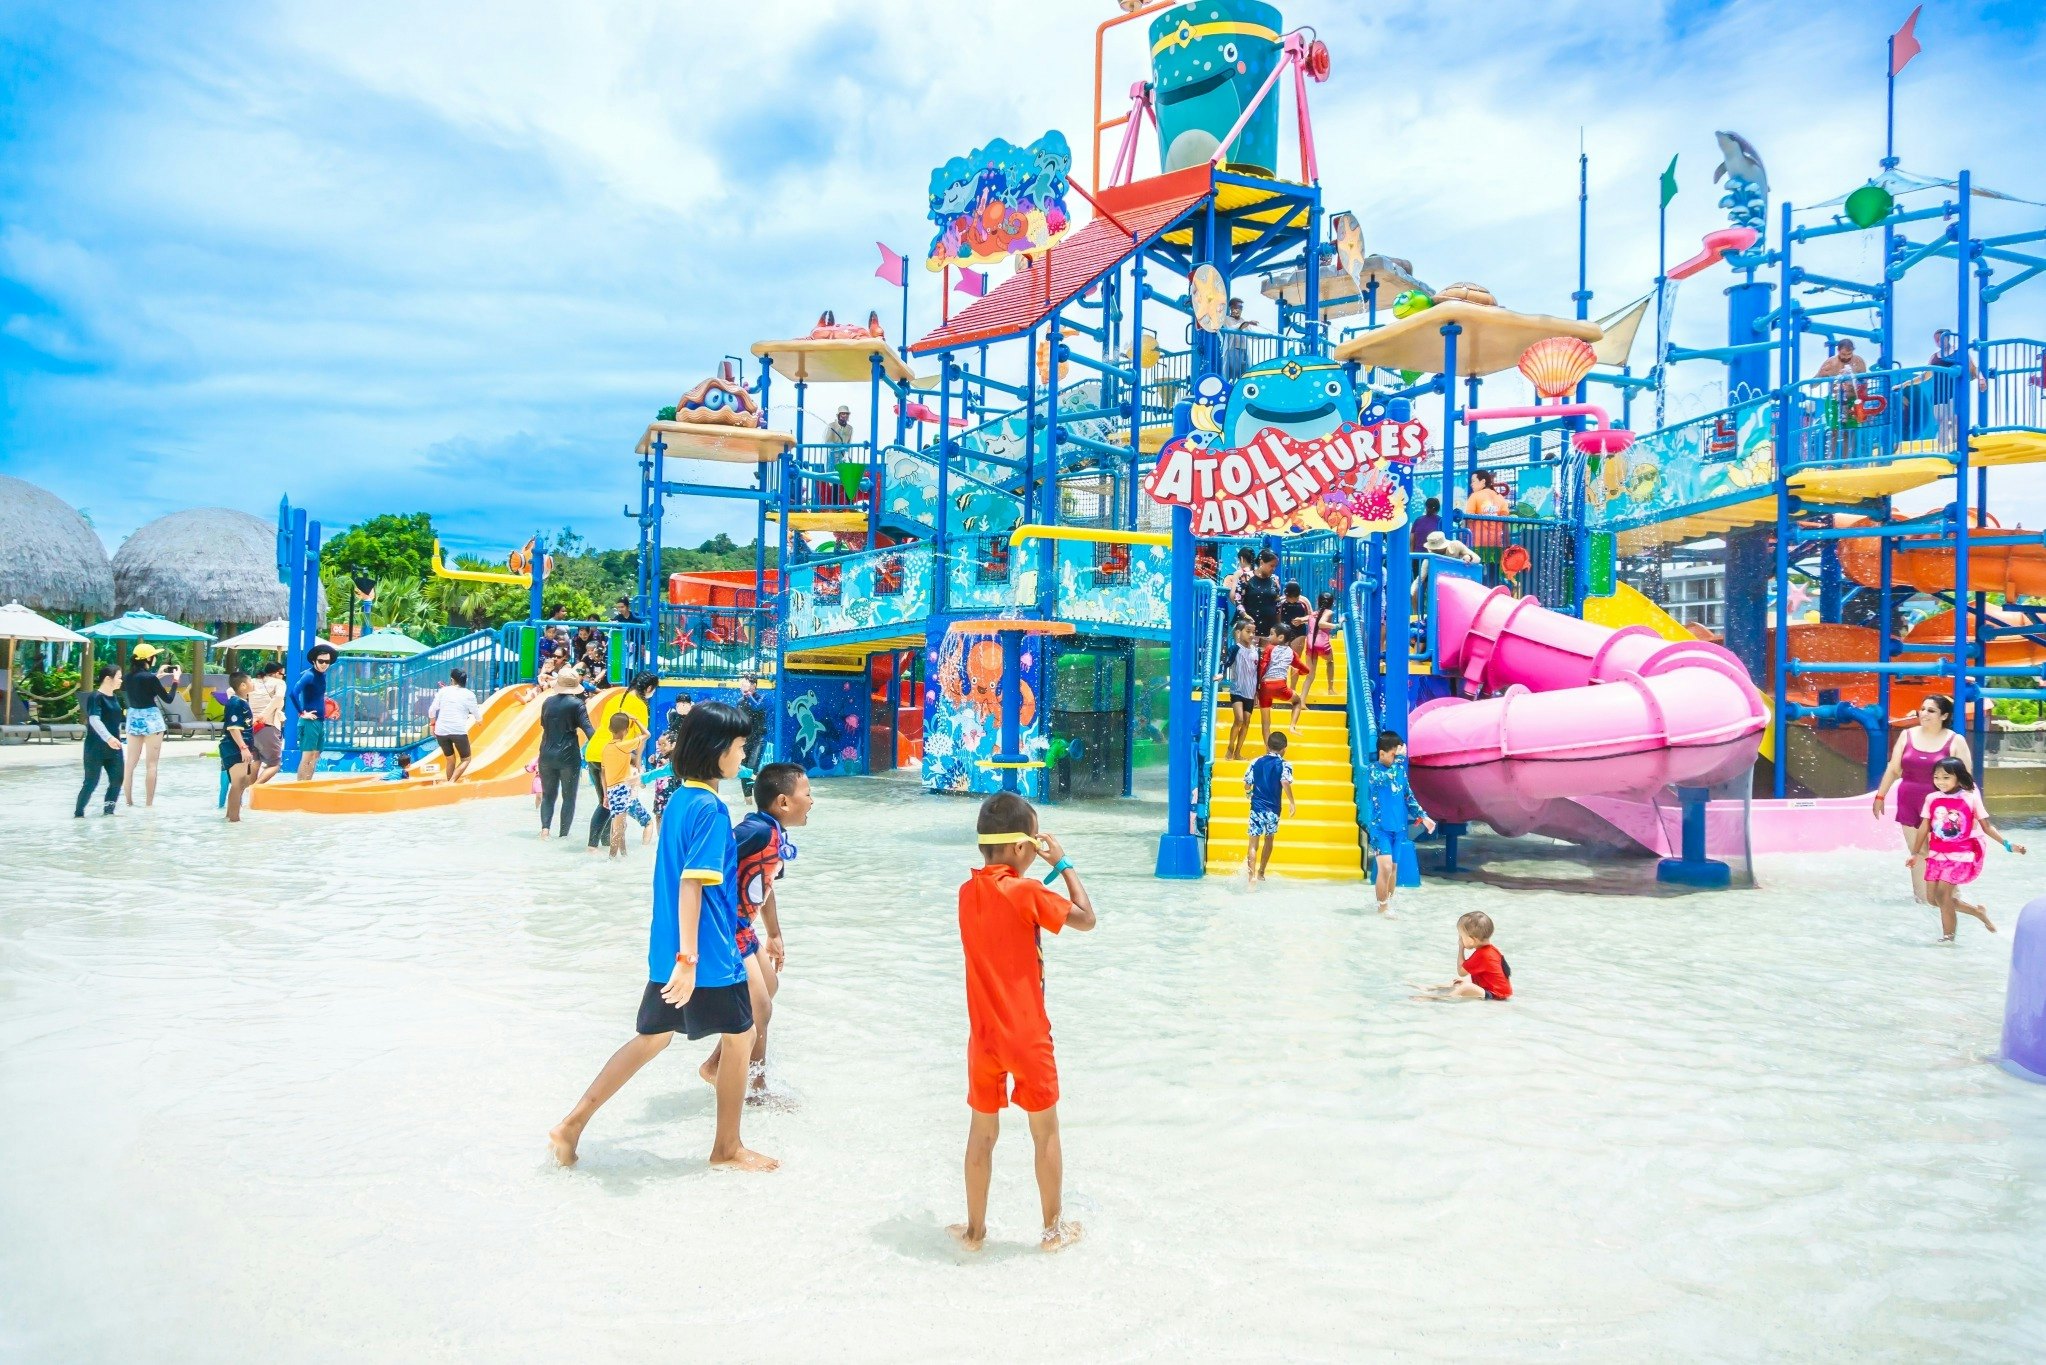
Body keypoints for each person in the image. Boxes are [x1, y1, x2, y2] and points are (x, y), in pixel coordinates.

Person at [548, 701, 777, 1173]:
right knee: (742, 1036)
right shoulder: (711, 810)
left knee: (652, 1038)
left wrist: (677, 955)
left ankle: (572, 1124)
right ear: (716, 750)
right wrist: (690, 960)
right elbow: (693, 883)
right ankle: (727, 1148)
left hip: (668, 948)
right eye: (738, 746)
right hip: (706, 954)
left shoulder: (679, 800)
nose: (743, 754)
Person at [951, 791, 1097, 1253]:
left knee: (982, 1134)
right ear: (1019, 847)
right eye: (1034, 842)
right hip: (1028, 1035)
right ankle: (1052, 1233)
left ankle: (974, 1233)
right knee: (1044, 1131)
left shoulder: (966, 893)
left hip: (983, 1038)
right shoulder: (1026, 891)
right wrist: (1064, 864)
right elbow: (1086, 919)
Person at [701, 761, 814, 1097]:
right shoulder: (756, 831)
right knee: (761, 1009)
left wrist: (774, 934)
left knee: (770, 986)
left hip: (744, 929)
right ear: (783, 802)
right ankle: (755, 1087)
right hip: (726, 929)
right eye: (808, 794)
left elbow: (764, 888)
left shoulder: (775, 835)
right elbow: (713, 859)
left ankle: (715, 1065)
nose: (812, 801)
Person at [1908, 756, 2026, 941]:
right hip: (1937, 855)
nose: (1940, 781)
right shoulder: (1932, 798)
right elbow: (1924, 827)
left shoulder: (1970, 798)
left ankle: (1948, 939)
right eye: (1936, 777)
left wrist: (2008, 845)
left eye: (1946, 777)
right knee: (1933, 900)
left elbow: (1987, 827)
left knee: (1943, 895)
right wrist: (1915, 853)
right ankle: (1978, 912)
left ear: (1958, 777)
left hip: (1960, 855)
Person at [1874, 693, 1973, 903]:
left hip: (1942, 808)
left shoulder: (1955, 740)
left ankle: (1951, 899)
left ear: (1944, 715)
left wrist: (1967, 813)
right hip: (1909, 801)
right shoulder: (1907, 735)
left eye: (1931, 710)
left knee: (1941, 853)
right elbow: (1893, 768)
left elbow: (1966, 780)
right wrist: (1880, 795)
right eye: (1923, 709)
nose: (1924, 713)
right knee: (1918, 852)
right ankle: (1922, 902)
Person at [584, 671, 656, 852]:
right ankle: (592, 846)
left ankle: (606, 843)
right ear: (649, 688)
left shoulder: (614, 699)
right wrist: (637, 765)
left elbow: (608, 728)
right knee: (608, 802)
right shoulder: (640, 705)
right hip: (612, 756)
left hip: (594, 751)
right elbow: (641, 739)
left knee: (607, 800)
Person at [1366, 729, 1434, 917]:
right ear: (1382, 753)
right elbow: (1384, 781)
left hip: (1398, 829)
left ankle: (1388, 906)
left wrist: (1424, 817)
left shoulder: (1399, 770)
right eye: (1393, 754)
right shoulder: (1373, 771)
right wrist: (1399, 760)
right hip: (1380, 828)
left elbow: (1408, 796)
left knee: (1393, 869)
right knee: (1386, 867)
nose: (1397, 758)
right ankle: (1382, 908)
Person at [119, 645, 180, 808]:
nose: (155, 658)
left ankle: (128, 801)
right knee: (151, 765)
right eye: (154, 656)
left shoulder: (127, 677)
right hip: (152, 720)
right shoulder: (150, 679)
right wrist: (175, 680)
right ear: (148, 658)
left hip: (133, 718)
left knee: (130, 763)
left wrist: (156, 676)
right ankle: (149, 804)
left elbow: (139, 689)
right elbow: (168, 699)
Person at [538, 668, 594, 839]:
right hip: (568, 756)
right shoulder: (577, 704)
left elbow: (544, 725)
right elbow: (589, 731)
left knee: (548, 796)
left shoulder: (547, 702)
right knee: (569, 797)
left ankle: (545, 831)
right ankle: (563, 836)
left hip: (546, 754)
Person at [1418, 911, 1513, 1000]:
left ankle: (1436, 998)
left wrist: (1461, 948)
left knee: (1466, 987)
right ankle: (1431, 988)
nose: (1460, 939)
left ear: (1471, 940)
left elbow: (1461, 971)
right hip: (1499, 992)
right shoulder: (1494, 951)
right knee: (1458, 983)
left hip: (1495, 995)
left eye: (1462, 937)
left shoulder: (1482, 955)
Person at [599, 712, 654, 858]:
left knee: (620, 826)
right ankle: (611, 859)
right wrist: (636, 720)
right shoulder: (623, 746)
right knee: (619, 829)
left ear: (610, 728)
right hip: (621, 789)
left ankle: (623, 857)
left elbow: (603, 774)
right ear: (626, 730)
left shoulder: (606, 748)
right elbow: (647, 734)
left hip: (611, 790)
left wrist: (605, 795)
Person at [1243, 731, 1295, 883]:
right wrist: (1292, 802)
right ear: (1284, 748)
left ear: (1267, 745)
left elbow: (1247, 783)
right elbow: (1284, 782)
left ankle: (1251, 877)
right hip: (1273, 809)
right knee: (1269, 838)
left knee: (1253, 844)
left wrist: (1248, 793)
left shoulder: (1256, 762)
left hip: (1257, 808)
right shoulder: (1285, 764)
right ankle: (1261, 872)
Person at [76, 664, 124, 818]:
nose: (121, 680)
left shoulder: (115, 697)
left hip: (114, 747)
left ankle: (108, 812)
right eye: (119, 677)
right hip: (95, 748)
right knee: (91, 783)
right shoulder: (95, 697)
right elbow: (94, 720)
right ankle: (79, 814)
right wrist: (108, 737)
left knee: (117, 779)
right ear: (108, 679)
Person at [289, 643, 337, 781]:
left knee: (315, 755)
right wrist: (302, 713)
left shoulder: (322, 675)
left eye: (327, 662)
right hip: (310, 722)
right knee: (307, 756)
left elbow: (316, 695)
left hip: (320, 721)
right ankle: (300, 787)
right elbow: (293, 693)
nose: (324, 664)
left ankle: (307, 784)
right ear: (314, 661)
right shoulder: (309, 675)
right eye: (321, 661)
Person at [427, 667, 483, 782]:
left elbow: (432, 710)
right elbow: (475, 712)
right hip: (458, 731)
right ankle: (451, 782)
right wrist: (479, 720)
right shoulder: (469, 694)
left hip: (441, 731)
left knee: (450, 760)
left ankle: (448, 783)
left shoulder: (443, 691)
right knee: (466, 759)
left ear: (452, 679)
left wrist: (432, 725)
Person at [220, 672, 257, 822]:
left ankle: (230, 816)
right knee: (238, 783)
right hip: (234, 747)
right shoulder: (235, 703)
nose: (253, 683)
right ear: (243, 686)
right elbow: (233, 728)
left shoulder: (241, 702)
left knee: (242, 782)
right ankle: (234, 820)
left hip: (240, 746)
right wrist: (243, 747)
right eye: (250, 681)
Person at [1462, 471, 1509, 583]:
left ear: (1483, 481)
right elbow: (1506, 522)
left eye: (1473, 481)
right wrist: (1507, 542)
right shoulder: (1500, 498)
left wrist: (1462, 539)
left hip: (1476, 543)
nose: (1471, 484)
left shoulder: (1474, 496)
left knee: (1474, 575)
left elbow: (1468, 519)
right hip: (1496, 544)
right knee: (1494, 576)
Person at [1223, 619, 1258, 761]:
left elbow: (1258, 672)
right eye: (1248, 631)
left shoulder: (1256, 651)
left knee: (1246, 722)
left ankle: (1238, 752)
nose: (1251, 635)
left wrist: (1257, 691)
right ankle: (1230, 747)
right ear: (1239, 632)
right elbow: (1226, 663)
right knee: (1239, 719)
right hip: (1237, 690)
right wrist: (1220, 674)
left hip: (1250, 691)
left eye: (1253, 632)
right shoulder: (1235, 649)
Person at [1255, 624, 1294, 746]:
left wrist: (1258, 687)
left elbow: (1262, 667)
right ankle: (1292, 725)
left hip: (1265, 686)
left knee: (1266, 723)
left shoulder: (1269, 648)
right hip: (1280, 685)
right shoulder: (1290, 652)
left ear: (1281, 637)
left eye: (1271, 634)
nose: (1268, 637)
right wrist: (1301, 671)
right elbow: (1304, 668)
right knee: (1297, 701)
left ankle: (1268, 750)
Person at [248, 661, 286, 785]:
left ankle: (249, 792)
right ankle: (255, 788)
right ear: (276, 673)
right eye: (282, 674)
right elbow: (279, 697)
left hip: (250, 726)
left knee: (256, 760)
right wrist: (264, 714)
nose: (283, 677)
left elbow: (230, 691)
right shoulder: (279, 683)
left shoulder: (252, 682)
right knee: (275, 764)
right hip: (268, 726)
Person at [1298, 591, 1338, 707]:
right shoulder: (1329, 612)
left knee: (1310, 676)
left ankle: (1302, 701)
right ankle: (1330, 688)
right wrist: (1336, 625)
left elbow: (1308, 618)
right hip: (1322, 644)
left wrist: (1300, 620)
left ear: (1317, 601)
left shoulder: (1313, 614)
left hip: (1310, 644)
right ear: (1332, 603)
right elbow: (1321, 623)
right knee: (1330, 661)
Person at [736, 676, 768, 795]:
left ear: (754, 685)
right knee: (743, 771)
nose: (743, 687)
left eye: (746, 684)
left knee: (751, 768)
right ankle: (748, 800)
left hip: (758, 739)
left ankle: (762, 793)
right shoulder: (740, 702)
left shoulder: (762, 698)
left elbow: (756, 707)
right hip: (745, 740)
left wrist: (748, 695)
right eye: (742, 685)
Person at [1239, 550, 1281, 636]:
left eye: (1275, 566)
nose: (1273, 569)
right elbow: (1238, 599)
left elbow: (1277, 603)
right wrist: (1244, 615)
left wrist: (1279, 625)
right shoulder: (1247, 577)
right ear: (1261, 562)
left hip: (1269, 625)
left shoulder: (1274, 579)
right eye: (1271, 565)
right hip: (1250, 624)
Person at [1220, 546, 1256, 616]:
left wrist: (1239, 607)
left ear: (1242, 559)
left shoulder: (1239, 573)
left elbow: (1233, 595)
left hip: (1243, 611)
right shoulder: (1257, 573)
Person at [1222, 298, 1250, 382]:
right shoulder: (1226, 319)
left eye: (1241, 307)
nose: (1240, 309)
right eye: (1238, 306)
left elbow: (1249, 332)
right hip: (1233, 350)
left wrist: (1266, 336)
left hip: (1244, 350)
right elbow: (1234, 328)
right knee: (1232, 375)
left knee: (1245, 375)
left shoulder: (1242, 320)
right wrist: (1246, 324)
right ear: (1231, 308)